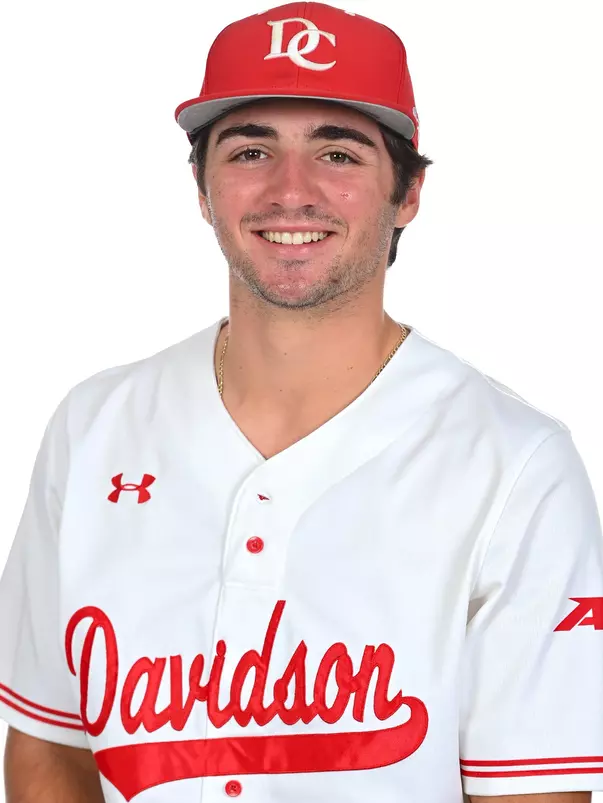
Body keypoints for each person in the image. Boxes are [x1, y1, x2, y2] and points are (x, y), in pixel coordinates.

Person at [1, 2, 602, 802]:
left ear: (409, 191)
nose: (292, 191)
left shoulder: (515, 463)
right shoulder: (94, 426)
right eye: (251, 150)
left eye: (339, 153)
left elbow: (532, 792)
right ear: (202, 188)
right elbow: (51, 747)